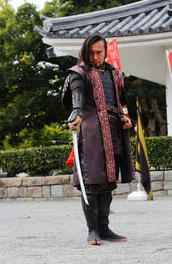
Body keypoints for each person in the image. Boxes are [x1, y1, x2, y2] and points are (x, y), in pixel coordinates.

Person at [62, 34, 135, 245]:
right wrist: (76, 113)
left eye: (99, 52)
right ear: (86, 51)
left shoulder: (115, 75)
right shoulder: (79, 73)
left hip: (113, 132)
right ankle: (92, 230)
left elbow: (120, 103)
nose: (95, 56)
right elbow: (76, 97)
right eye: (91, 52)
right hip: (92, 131)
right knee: (92, 182)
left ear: (106, 51)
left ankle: (105, 228)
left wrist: (125, 118)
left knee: (108, 183)